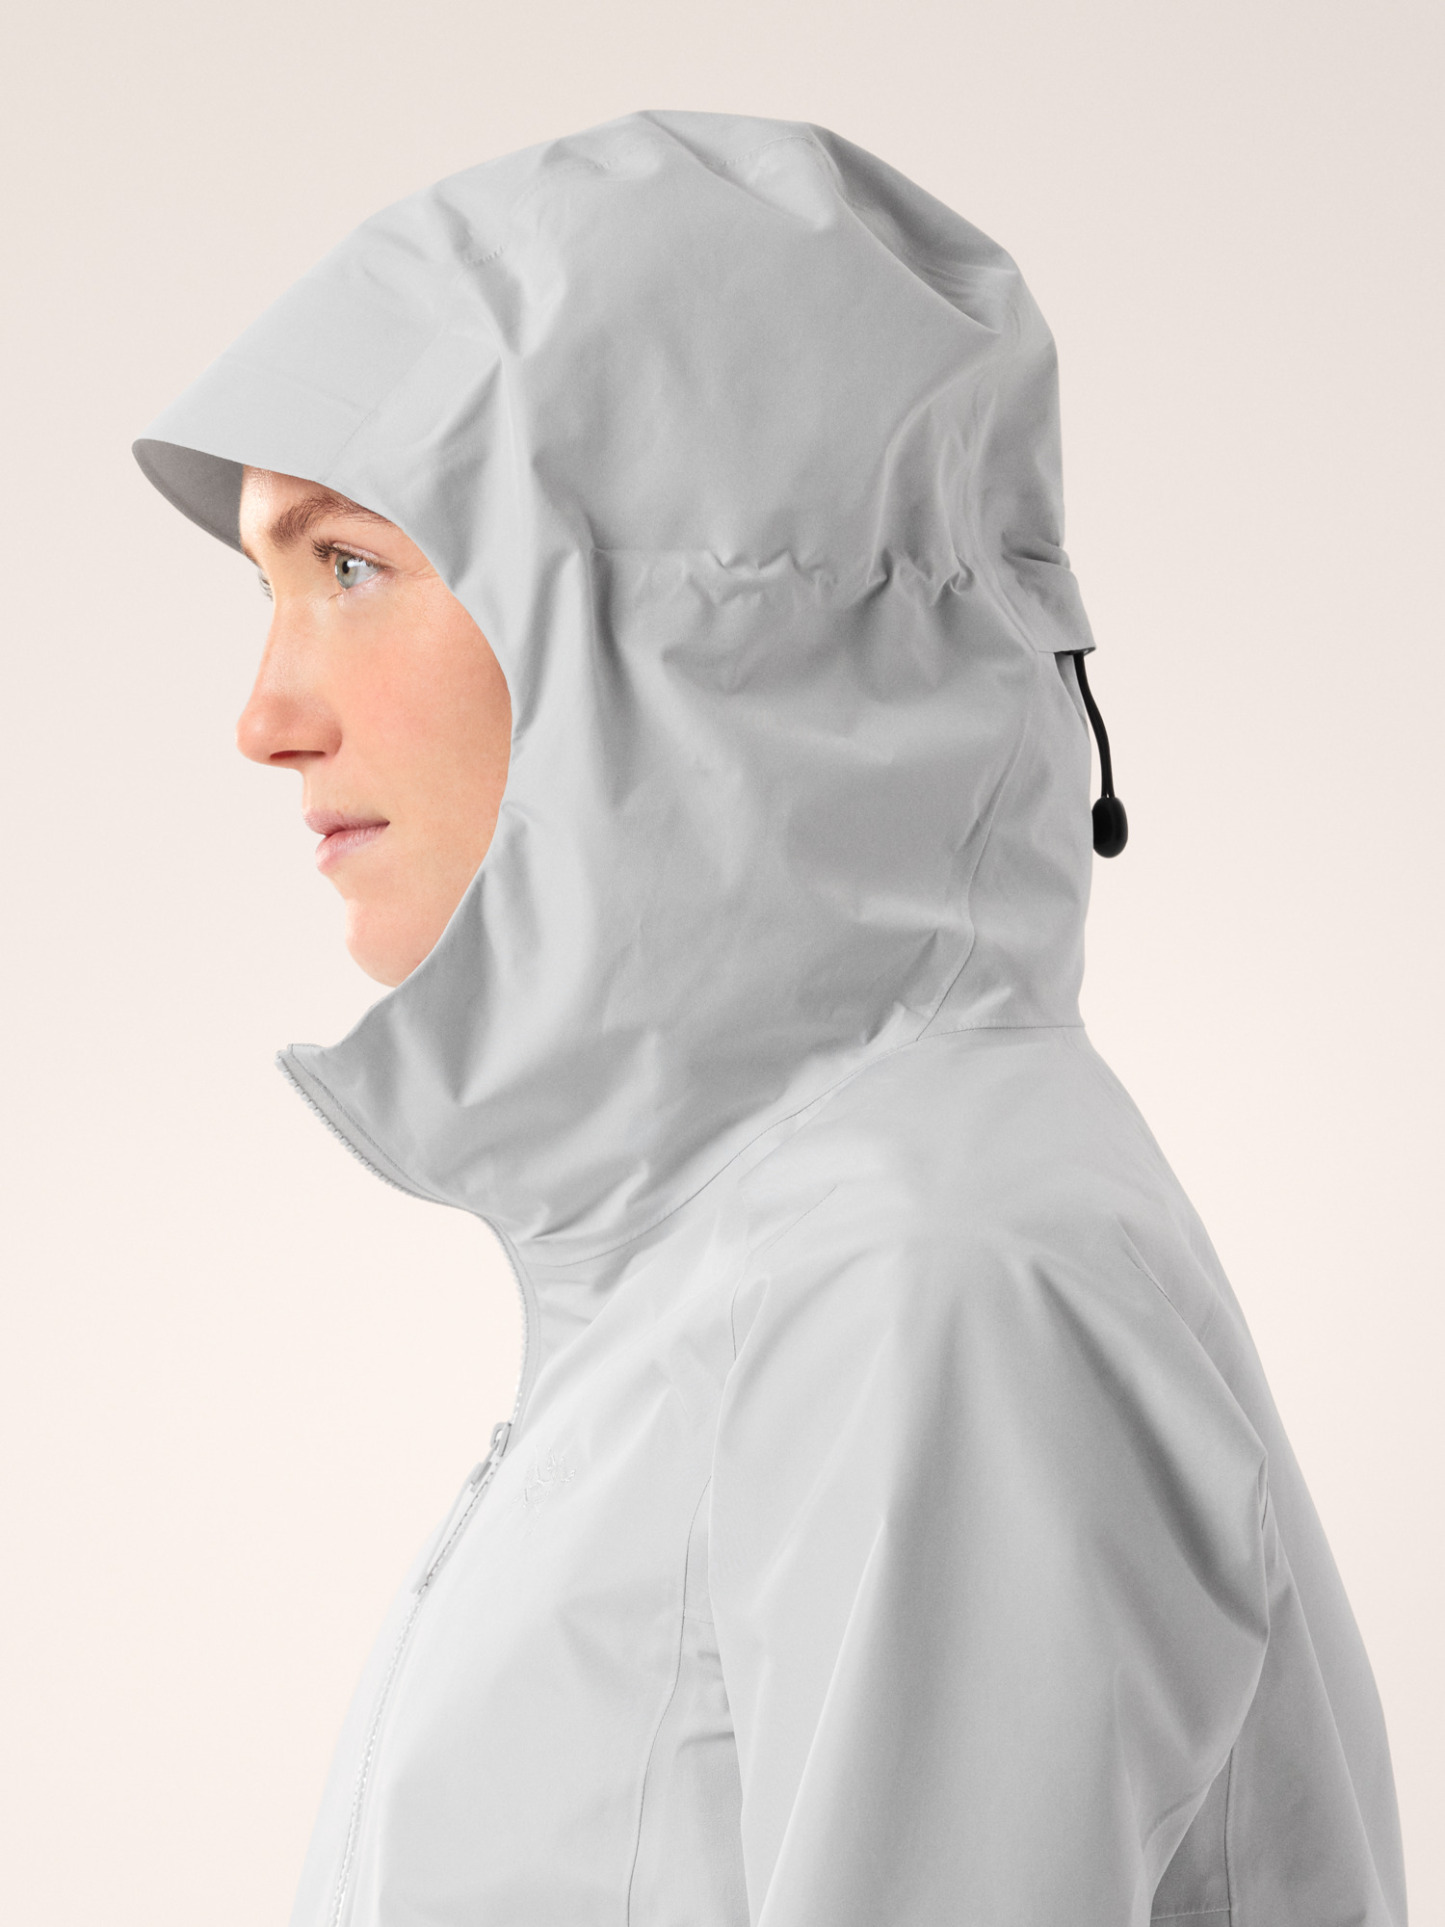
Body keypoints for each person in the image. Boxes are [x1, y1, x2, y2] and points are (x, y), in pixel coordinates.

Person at [133, 111, 1407, 1927]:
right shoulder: (746, 1254)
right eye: (267, 588)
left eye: (350, 568)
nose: (265, 719)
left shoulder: (926, 1280)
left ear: (694, 617)